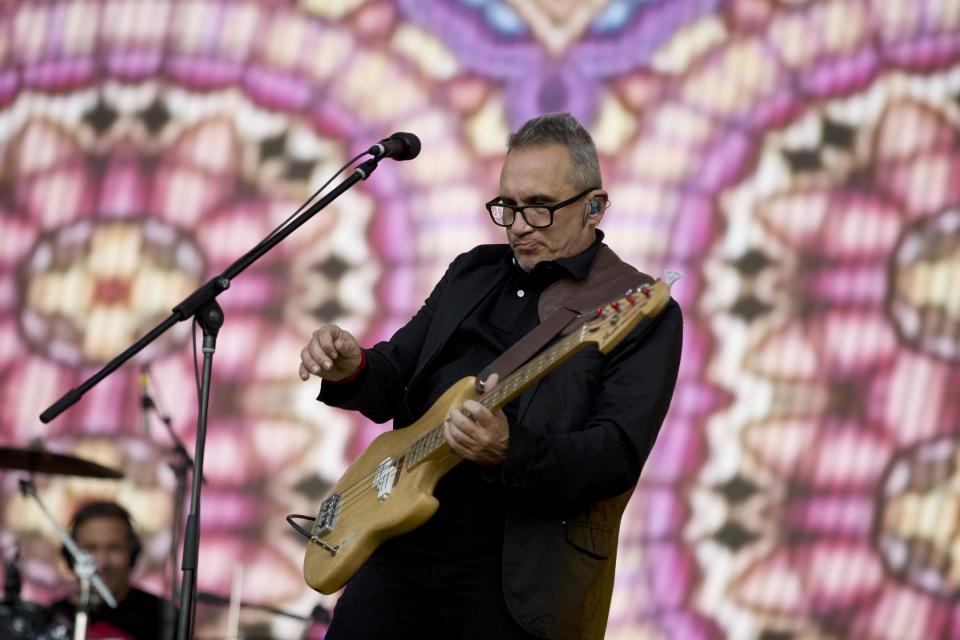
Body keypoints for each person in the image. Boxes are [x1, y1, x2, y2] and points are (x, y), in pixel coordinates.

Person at [299, 112, 683, 639]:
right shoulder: (471, 271)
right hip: (401, 548)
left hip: (518, 575)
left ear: (594, 206)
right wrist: (352, 366)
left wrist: (510, 449)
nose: (520, 225)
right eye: (508, 206)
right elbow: (395, 375)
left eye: (541, 208)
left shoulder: (635, 307)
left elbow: (615, 456)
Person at [52, 500, 173, 640]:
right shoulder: (53, 618)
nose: (102, 562)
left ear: (133, 554)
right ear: (70, 556)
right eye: (90, 548)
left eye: (114, 548)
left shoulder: (164, 617)